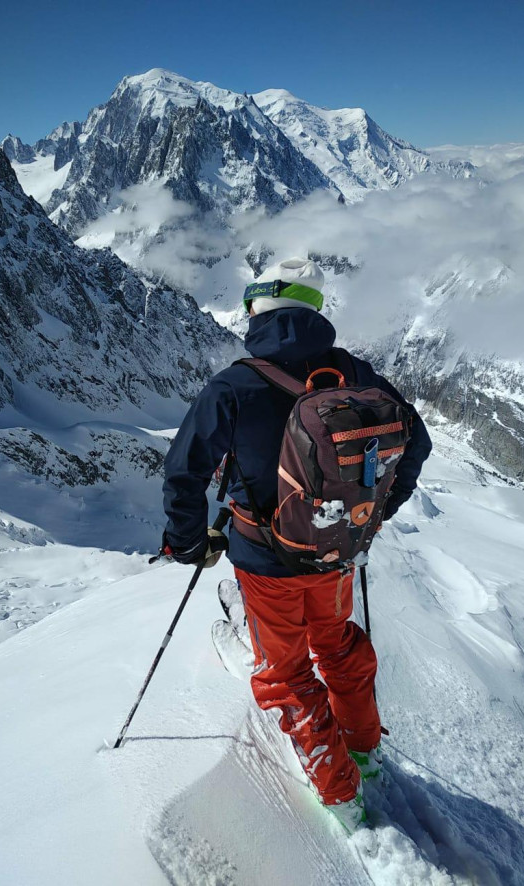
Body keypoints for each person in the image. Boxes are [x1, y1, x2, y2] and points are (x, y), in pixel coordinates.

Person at [161, 257, 432, 832]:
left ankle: (340, 794)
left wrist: (187, 543)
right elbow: (417, 441)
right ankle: (363, 750)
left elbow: (185, 470)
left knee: (286, 673)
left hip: (266, 562)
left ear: (257, 310)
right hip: (336, 554)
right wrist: (373, 514)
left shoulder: (235, 384)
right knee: (336, 647)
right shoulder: (354, 372)